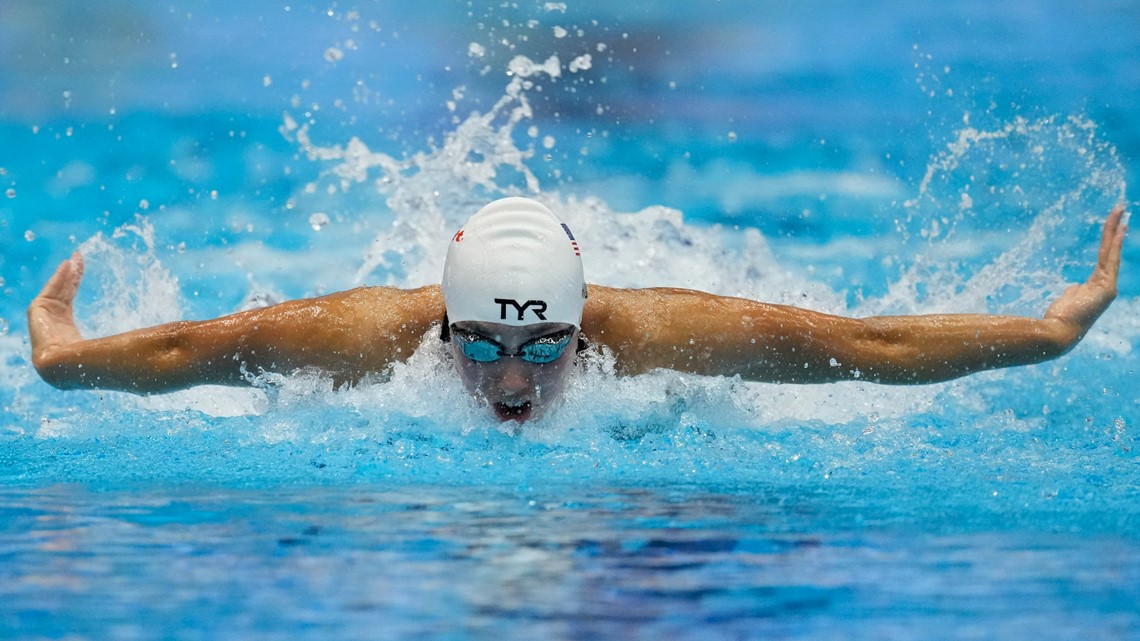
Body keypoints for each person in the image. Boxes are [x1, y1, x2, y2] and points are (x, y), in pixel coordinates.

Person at [28, 197, 1127, 423]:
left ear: (585, 316)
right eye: (488, 345)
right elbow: (183, 347)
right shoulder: (367, 337)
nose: (514, 380)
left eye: (546, 342)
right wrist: (60, 354)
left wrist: (1049, 330)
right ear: (443, 324)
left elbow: (859, 343)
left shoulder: (648, 335)